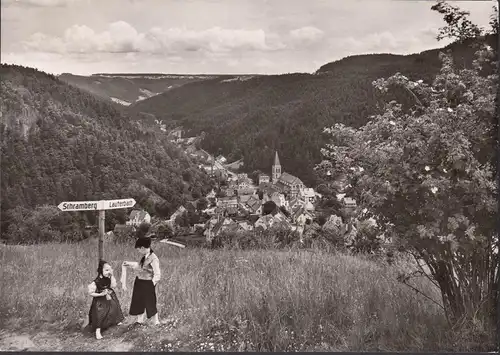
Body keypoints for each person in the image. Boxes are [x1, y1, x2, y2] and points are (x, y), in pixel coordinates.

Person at [122, 237, 161, 325]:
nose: (138, 251)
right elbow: (139, 266)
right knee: (139, 301)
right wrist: (129, 264)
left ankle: (156, 321)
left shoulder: (153, 258)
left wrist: (152, 284)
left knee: (150, 301)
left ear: (143, 248)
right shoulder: (144, 257)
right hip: (139, 281)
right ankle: (140, 320)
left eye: (139, 249)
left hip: (147, 283)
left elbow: (157, 274)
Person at [87, 260, 125, 339]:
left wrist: (112, 275)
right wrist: (100, 294)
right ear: (101, 271)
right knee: (100, 313)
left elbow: (113, 285)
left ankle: (115, 320)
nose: (109, 272)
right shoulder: (96, 282)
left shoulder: (109, 277)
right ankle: (98, 330)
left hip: (110, 295)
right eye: (106, 270)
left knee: (114, 307)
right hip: (100, 299)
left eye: (110, 270)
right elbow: (91, 293)